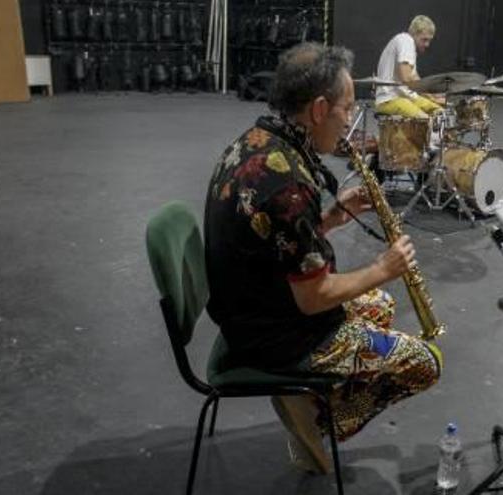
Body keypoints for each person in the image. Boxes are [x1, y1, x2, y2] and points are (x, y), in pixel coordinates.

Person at [203, 42, 442, 474]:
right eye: (346, 109)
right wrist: (382, 269)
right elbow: (314, 299)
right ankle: (319, 418)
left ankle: (312, 400)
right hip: (274, 336)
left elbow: (272, 238)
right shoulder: (289, 185)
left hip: (249, 308)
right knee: (426, 363)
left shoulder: (259, 140)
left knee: (381, 307)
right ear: (317, 109)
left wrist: (328, 219)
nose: (349, 121)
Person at [375, 15, 444, 118]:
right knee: (425, 121)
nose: (427, 44)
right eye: (424, 39)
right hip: (390, 99)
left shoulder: (408, 47)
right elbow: (406, 78)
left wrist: (432, 96)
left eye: (429, 40)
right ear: (414, 34)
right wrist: (430, 95)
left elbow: (415, 80)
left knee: (440, 112)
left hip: (405, 97)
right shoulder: (406, 40)